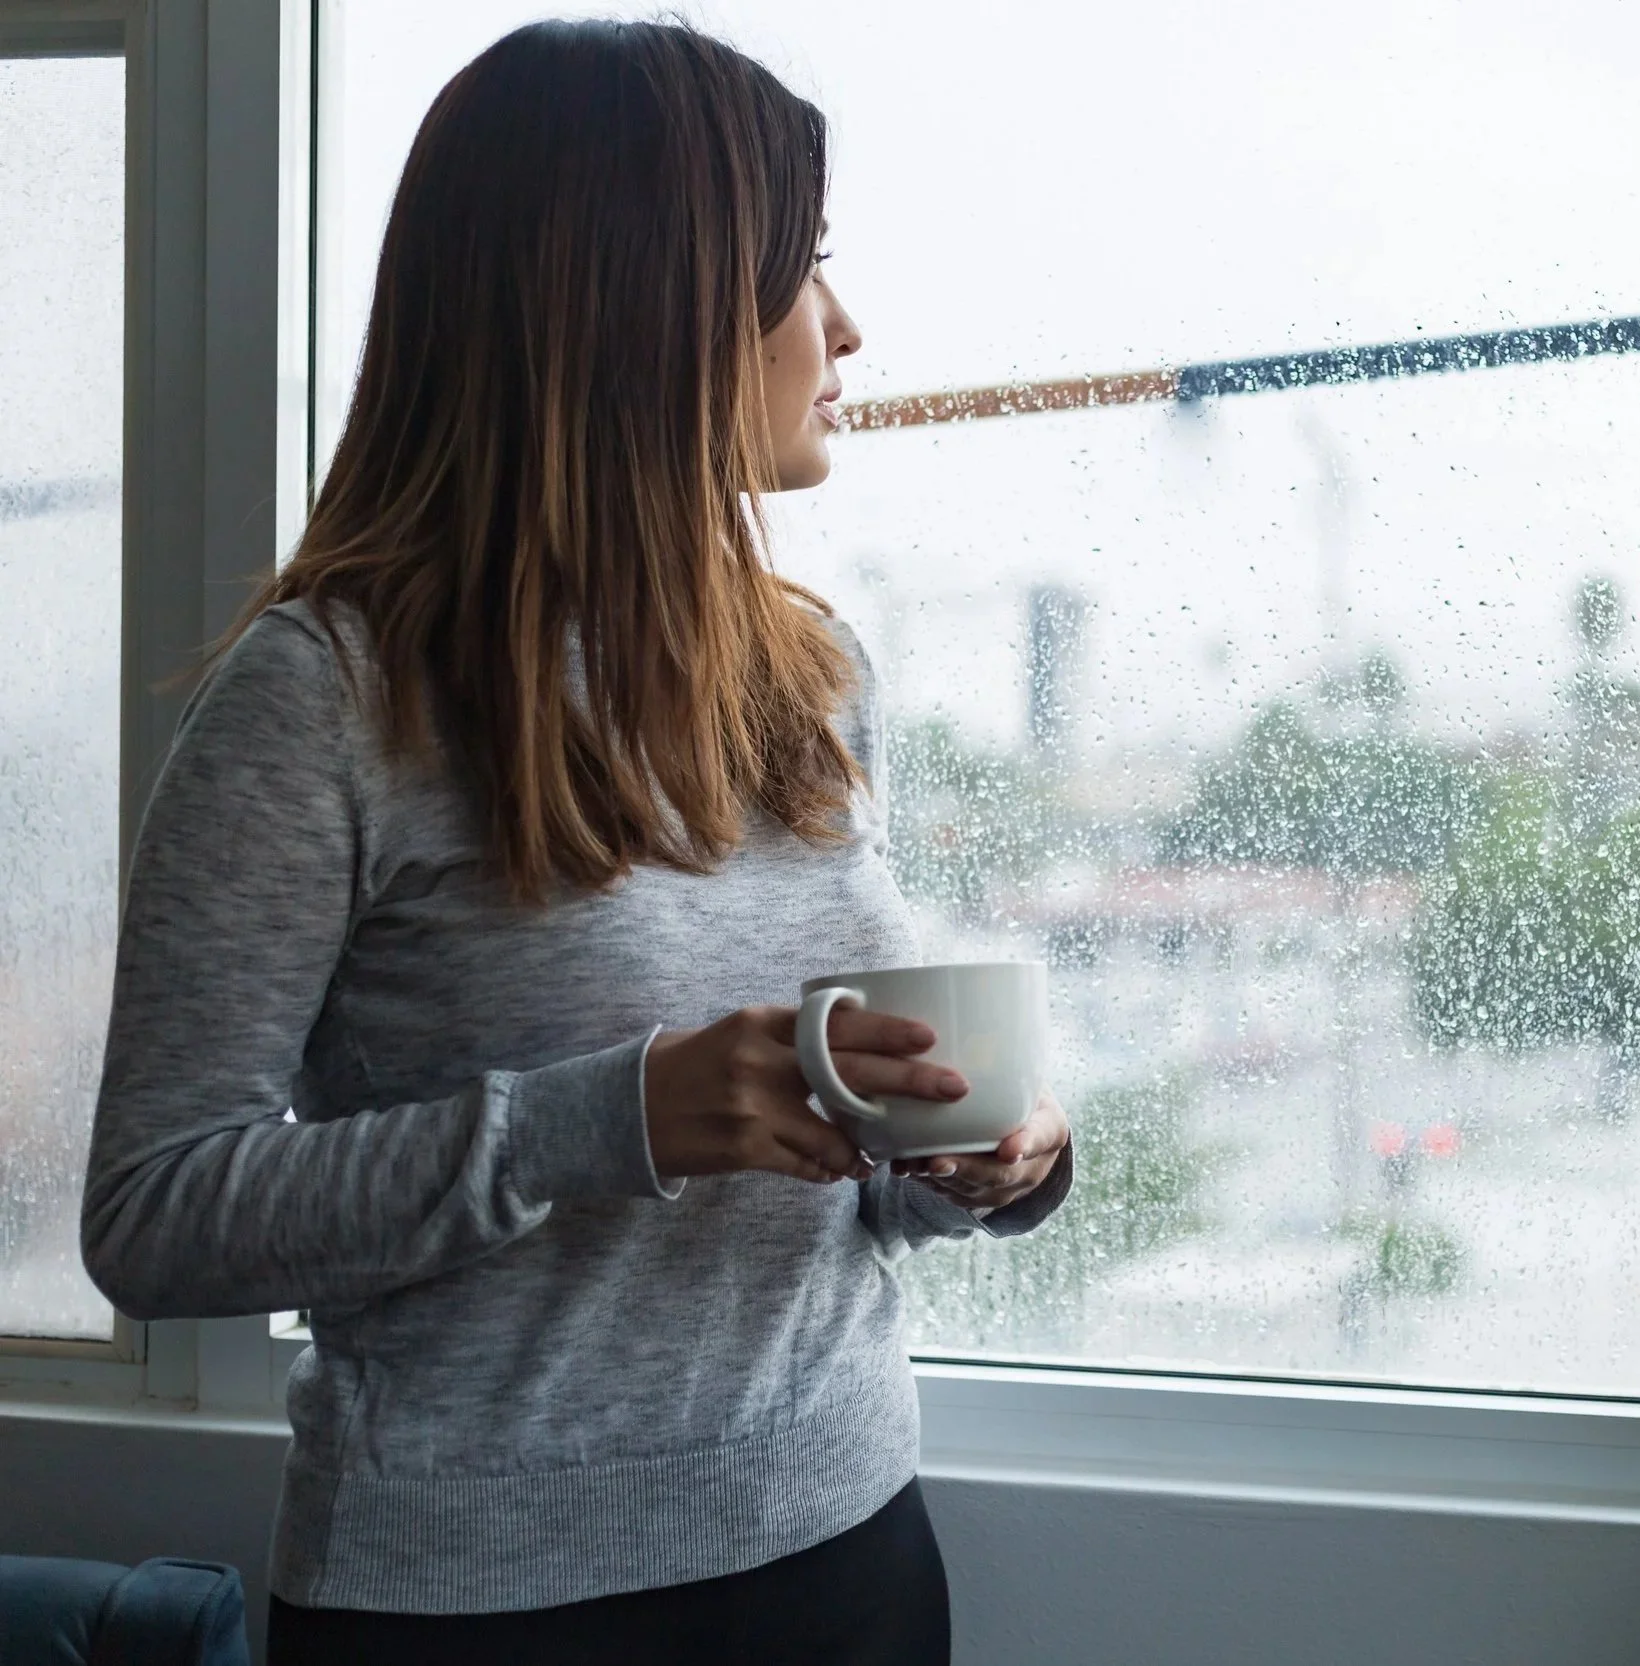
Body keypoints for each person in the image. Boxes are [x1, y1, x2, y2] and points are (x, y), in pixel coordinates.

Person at [79, 20, 1071, 1665]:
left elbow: (825, 1183)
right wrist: (601, 1121)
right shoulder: (320, 701)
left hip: (843, 1551)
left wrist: (990, 1159)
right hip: (475, 1604)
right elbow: (155, 1213)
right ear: (649, 306)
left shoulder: (811, 674)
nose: (846, 325)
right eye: (801, 269)